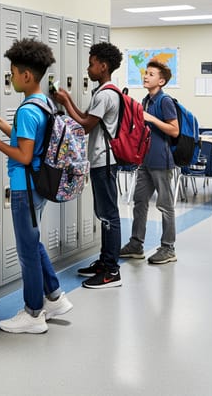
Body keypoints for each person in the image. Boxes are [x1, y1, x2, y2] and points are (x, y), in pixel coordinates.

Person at [0, 38, 74, 333]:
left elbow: (23, 153)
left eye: (12, 73)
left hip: (25, 189)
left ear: (26, 76)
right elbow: (24, 137)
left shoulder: (27, 109)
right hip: (36, 185)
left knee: (26, 251)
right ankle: (54, 297)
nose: (10, 77)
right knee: (33, 243)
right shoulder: (41, 102)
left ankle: (33, 314)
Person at [53, 42, 123, 289]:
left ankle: (112, 271)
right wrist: (68, 101)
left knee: (108, 216)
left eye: (91, 63)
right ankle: (105, 262)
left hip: (104, 161)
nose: (88, 68)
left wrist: (66, 99)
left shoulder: (105, 94)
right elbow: (84, 116)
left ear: (103, 66)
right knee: (104, 214)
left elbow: (83, 126)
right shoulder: (104, 91)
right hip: (101, 161)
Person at [119, 60, 180, 264]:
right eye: (146, 73)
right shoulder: (146, 100)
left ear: (161, 81)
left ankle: (168, 248)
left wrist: (152, 119)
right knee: (140, 201)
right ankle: (136, 244)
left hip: (161, 162)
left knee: (165, 206)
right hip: (145, 160)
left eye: (151, 74)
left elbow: (174, 130)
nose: (146, 76)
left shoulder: (165, 101)